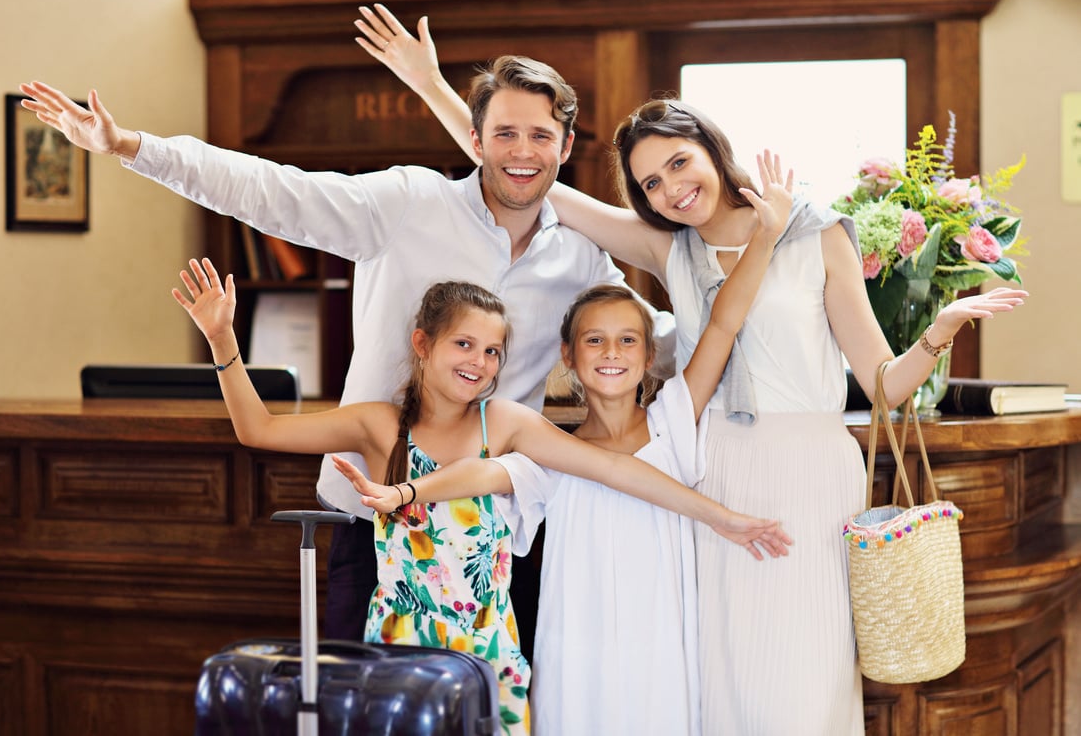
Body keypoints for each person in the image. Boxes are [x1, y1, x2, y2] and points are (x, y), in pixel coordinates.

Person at [352, 4, 1029, 735]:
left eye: (678, 163)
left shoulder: (817, 232)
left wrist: (938, 333)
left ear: (710, 147)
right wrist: (430, 85)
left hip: (812, 469)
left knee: (805, 678)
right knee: (721, 685)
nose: (671, 189)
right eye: (649, 184)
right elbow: (529, 172)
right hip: (712, 466)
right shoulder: (673, 250)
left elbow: (886, 385)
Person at [18, 59, 677, 651]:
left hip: (495, 537)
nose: (522, 153)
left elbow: (650, 341)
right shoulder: (407, 201)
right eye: (505, 133)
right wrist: (129, 145)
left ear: (565, 144)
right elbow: (271, 191)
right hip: (373, 521)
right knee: (362, 709)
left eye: (539, 136)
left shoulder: (582, 255)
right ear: (474, 140)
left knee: (488, 717)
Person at [173, 261, 789, 735]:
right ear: (423, 345)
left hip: (488, 651)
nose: (480, 362)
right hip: (398, 646)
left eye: (492, 351)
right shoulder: (377, 425)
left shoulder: (508, 424)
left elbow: (612, 469)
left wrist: (725, 520)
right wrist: (223, 341)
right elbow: (259, 431)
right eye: (464, 345)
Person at [333, 148, 791, 734]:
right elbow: (480, 473)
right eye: (595, 341)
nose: (611, 354)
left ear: (651, 357)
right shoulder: (547, 450)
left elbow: (724, 323)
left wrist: (767, 237)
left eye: (628, 341)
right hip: (576, 653)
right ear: (567, 357)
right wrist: (407, 492)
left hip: (662, 649)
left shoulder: (675, 419)